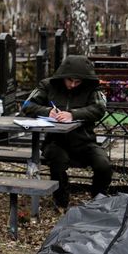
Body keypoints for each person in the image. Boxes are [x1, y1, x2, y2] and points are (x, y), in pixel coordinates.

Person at [21, 55, 111, 209]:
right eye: (70, 80)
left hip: (85, 141)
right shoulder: (47, 85)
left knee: (104, 165)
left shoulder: (91, 87)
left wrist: (73, 114)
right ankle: (61, 201)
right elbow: (27, 105)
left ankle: (98, 200)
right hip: (55, 142)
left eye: (78, 82)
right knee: (58, 161)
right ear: (63, 76)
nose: (73, 85)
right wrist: (47, 111)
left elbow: (99, 108)